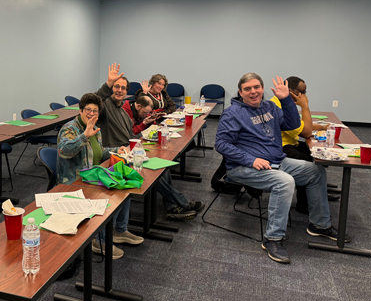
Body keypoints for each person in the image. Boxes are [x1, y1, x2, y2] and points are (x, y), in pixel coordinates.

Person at [215, 73, 350, 264]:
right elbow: (221, 144)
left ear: (262, 89)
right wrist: (251, 159)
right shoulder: (233, 113)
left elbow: (293, 124)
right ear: (240, 92)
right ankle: (272, 239)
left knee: (315, 171)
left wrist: (286, 100)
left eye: (256, 87)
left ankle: (319, 225)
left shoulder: (270, 106)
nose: (253, 92)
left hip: (277, 160)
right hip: (243, 166)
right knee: (284, 182)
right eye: (247, 89)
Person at [96, 64, 204, 220]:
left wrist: (144, 127)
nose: (119, 90)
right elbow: (92, 102)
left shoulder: (123, 113)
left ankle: (172, 206)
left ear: (127, 92)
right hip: (114, 156)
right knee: (150, 173)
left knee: (162, 167)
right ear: (112, 89)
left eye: (123, 88)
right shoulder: (105, 107)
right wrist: (107, 84)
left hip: (129, 152)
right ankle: (183, 203)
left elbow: (131, 134)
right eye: (116, 87)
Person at [57, 93, 142, 259]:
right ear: (80, 110)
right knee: (112, 194)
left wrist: (115, 150)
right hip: (76, 181)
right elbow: (64, 151)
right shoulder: (70, 129)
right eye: (88, 109)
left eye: (95, 111)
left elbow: (98, 151)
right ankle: (99, 240)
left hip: (93, 173)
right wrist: (84, 136)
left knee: (126, 185)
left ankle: (119, 230)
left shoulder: (95, 129)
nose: (91, 113)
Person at [270, 76, 336, 214]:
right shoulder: (278, 105)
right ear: (292, 91)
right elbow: (306, 133)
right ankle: (304, 204)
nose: (304, 95)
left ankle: (317, 192)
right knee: (307, 161)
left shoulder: (285, 102)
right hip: (279, 148)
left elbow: (302, 125)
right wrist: (305, 106)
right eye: (302, 92)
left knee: (315, 153)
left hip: (289, 143)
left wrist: (323, 127)